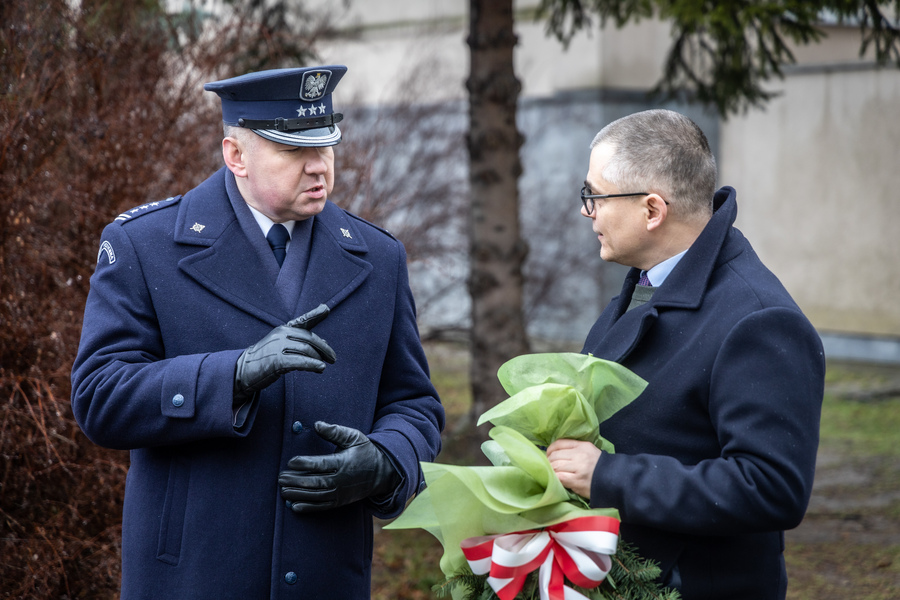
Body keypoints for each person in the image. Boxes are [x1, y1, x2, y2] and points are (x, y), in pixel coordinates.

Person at [71, 65, 445, 599]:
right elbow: (99, 396)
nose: (319, 167)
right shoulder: (146, 246)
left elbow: (414, 404)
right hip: (193, 577)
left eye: (326, 146)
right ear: (235, 156)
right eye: (294, 151)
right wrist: (235, 375)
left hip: (325, 576)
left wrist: (387, 463)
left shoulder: (378, 257)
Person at [545, 109, 825, 600]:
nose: (586, 211)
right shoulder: (647, 284)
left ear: (652, 210)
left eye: (594, 195)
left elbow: (771, 486)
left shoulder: (758, 319)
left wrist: (607, 476)